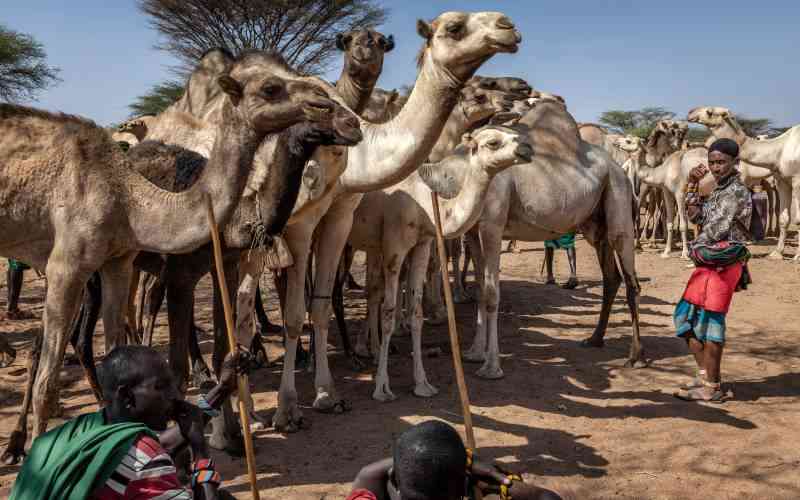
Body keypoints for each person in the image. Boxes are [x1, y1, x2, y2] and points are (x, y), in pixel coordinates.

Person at [10, 345, 248, 499]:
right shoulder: (146, 461)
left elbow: (161, 442)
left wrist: (223, 389)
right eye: (160, 387)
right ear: (126, 396)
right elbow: (150, 454)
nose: (175, 396)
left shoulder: (81, 429)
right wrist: (200, 452)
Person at [673, 138, 752, 402]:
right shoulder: (719, 190)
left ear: (734, 162)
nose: (716, 168)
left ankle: (712, 388)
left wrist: (694, 248)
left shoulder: (736, 192)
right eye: (713, 162)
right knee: (684, 318)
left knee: (711, 324)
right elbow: (696, 216)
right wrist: (693, 184)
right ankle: (706, 376)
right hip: (708, 263)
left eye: (721, 162)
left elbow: (714, 230)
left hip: (722, 265)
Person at [348, 420, 562, 500]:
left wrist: (463, 462)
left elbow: (367, 476)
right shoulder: (465, 487)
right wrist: (466, 461)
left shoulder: (380, 483)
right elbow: (547, 497)